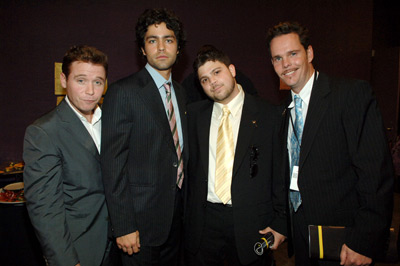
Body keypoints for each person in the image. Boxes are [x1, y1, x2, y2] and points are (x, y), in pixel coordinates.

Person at [266, 21, 394, 266]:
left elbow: (376, 174)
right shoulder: (282, 111)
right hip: (303, 237)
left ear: (310, 53)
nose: (286, 65)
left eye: (293, 54)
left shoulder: (350, 94)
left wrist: (364, 241)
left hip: (345, 240)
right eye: (278, 58)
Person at [184, 45, 287, 266]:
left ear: (232, 69)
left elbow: (279, 173)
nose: (212, 82)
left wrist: (281, 222)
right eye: (204, 79)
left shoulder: (269, 114)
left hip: (250, 224)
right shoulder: (193, 116)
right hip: (203, 225)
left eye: (216, 72)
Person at [101, 8, 187, 266]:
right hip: (139, 226)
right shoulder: (123, 92)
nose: (161, 47)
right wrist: (124, 225)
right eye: (152, 40)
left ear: (178, 48)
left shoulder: (182, 94)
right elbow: (112, 164)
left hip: (177, 219)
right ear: (142, 49)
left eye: (168, 40)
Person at [23, 45, 113, 266]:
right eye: (81, 80)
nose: (91, 91)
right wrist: (66, 261)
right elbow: (45, 210)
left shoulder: (112, 120)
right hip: (78, 249)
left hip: (116, 246)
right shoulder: (44, 131)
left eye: (98, 82)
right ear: (64, 80)